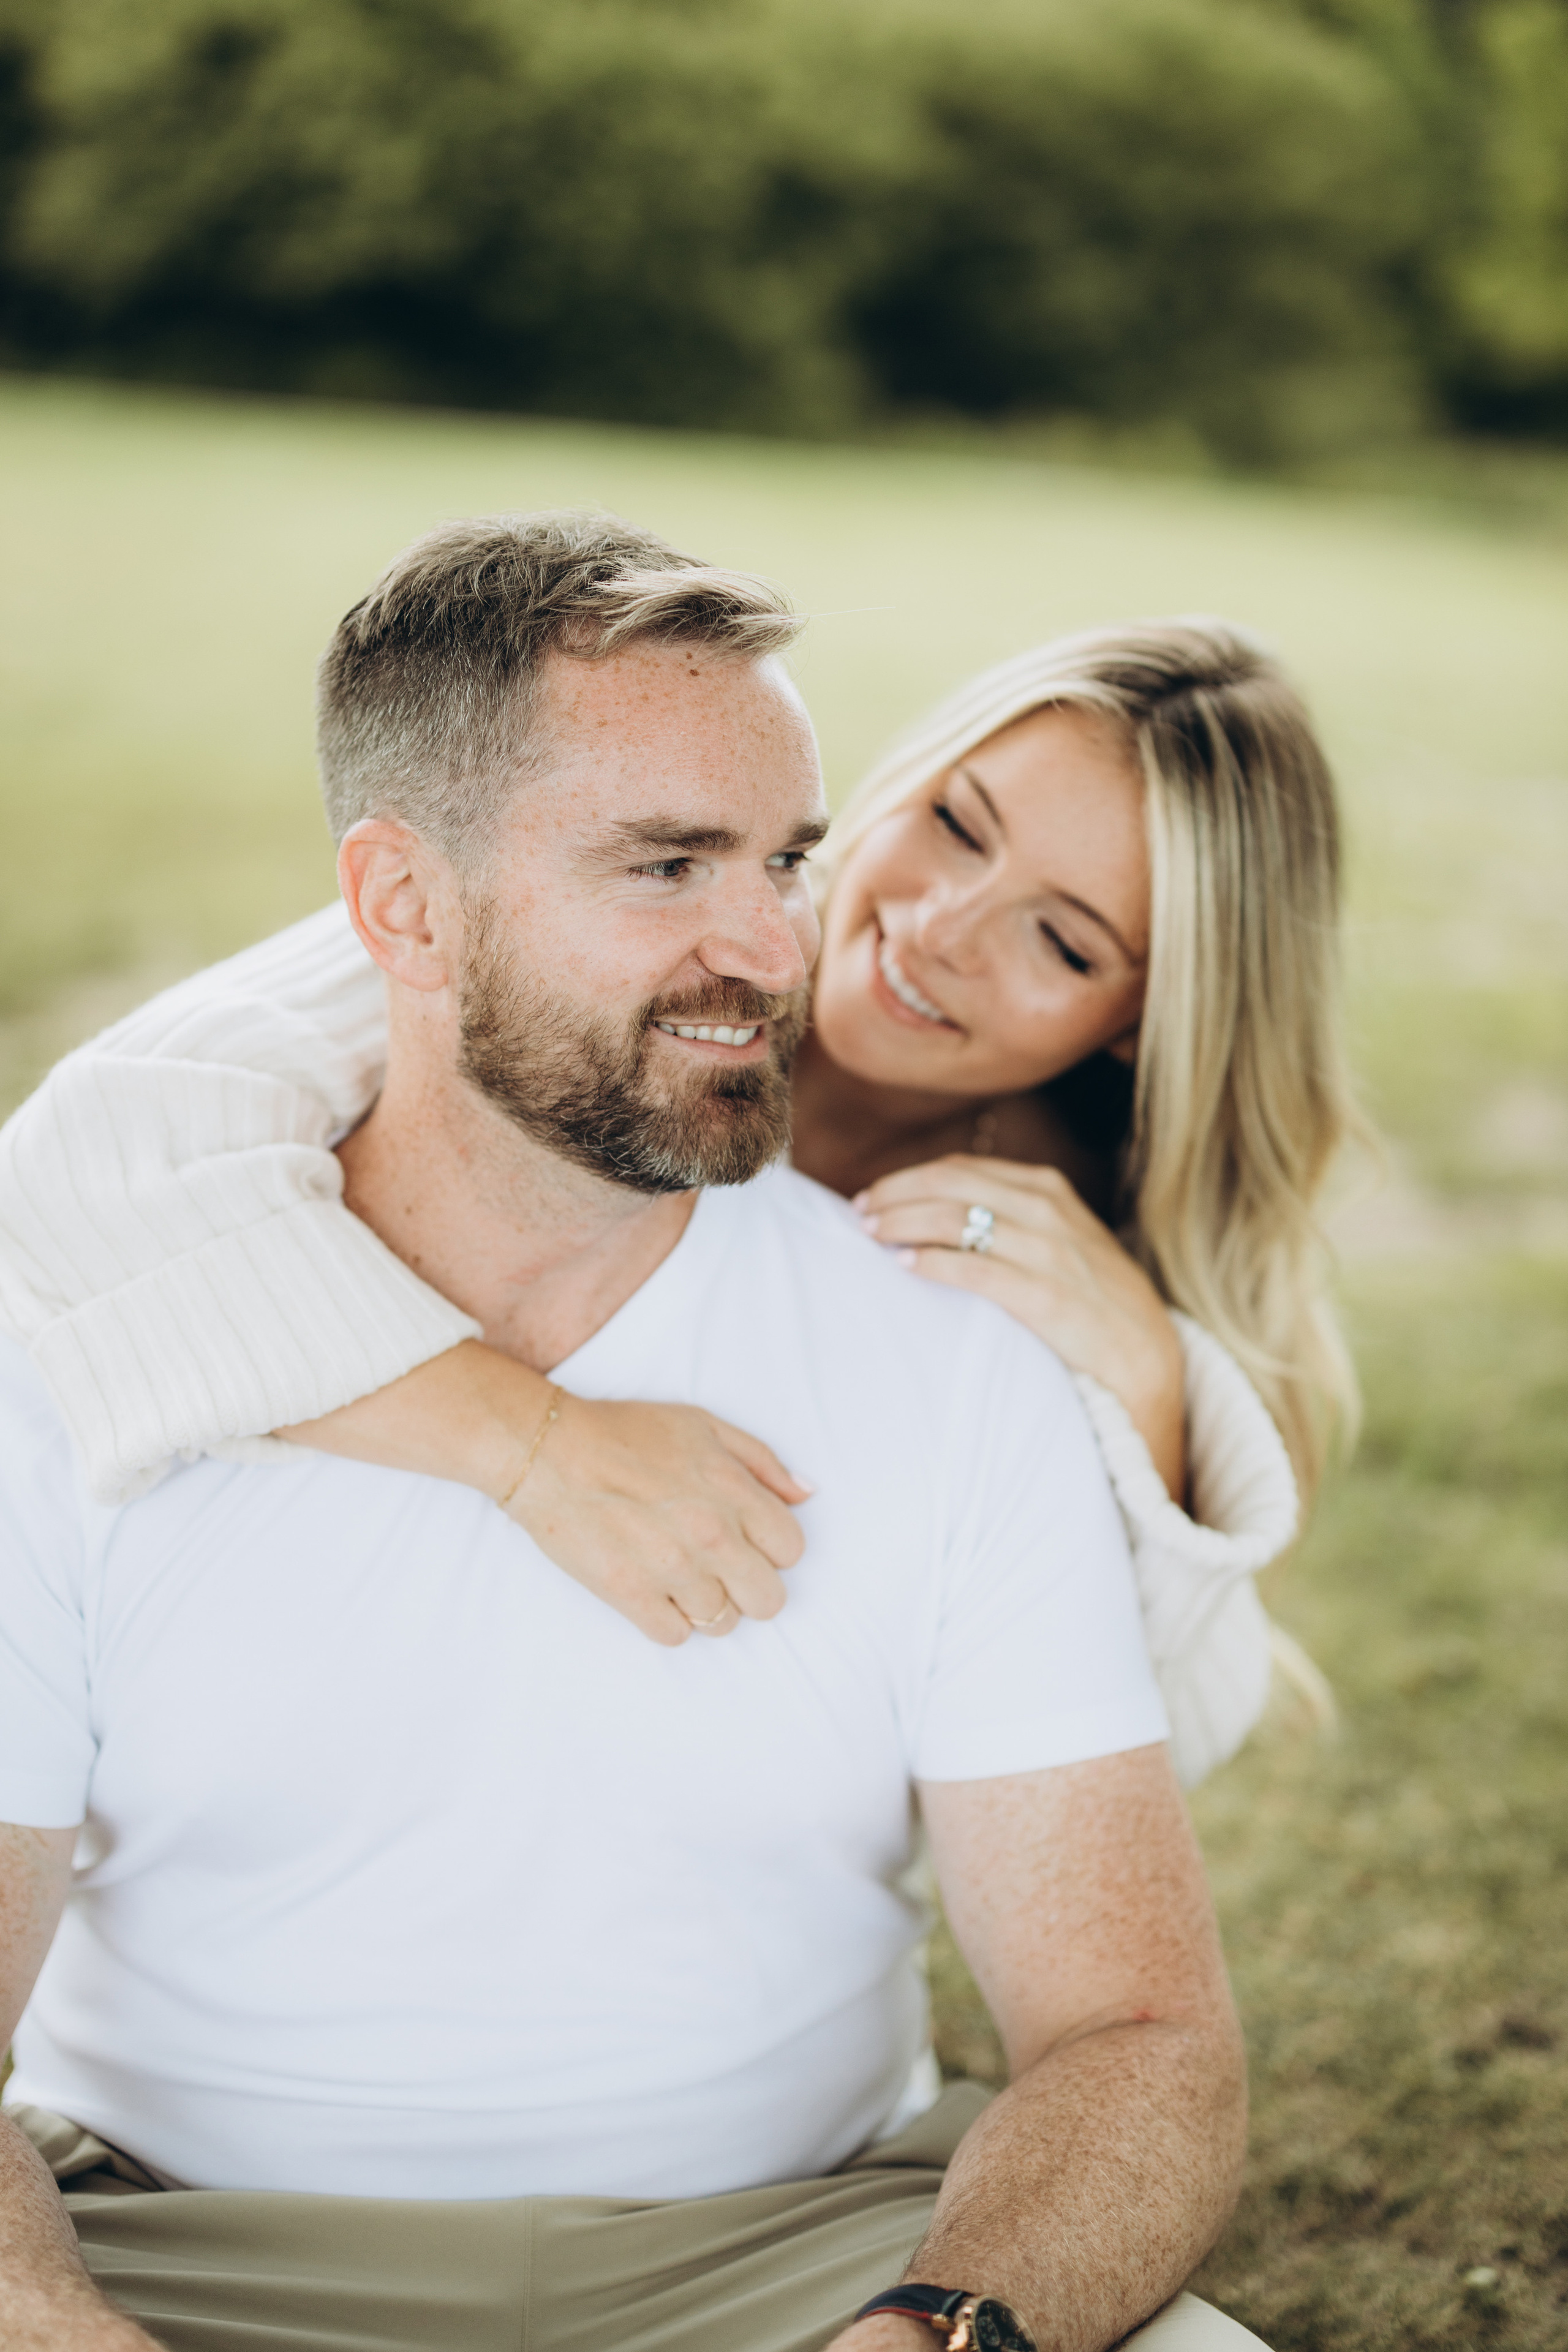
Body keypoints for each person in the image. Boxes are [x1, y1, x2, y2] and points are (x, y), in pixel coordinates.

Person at [0, 511, 1261, 2352]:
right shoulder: (91, 1299)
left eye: (782, 857)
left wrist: (930, 2337)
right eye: (667, 863)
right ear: (403, 907)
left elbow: (1141, 2033)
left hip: (794, 2255)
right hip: (180, 2257)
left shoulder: (978, 1354)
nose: (778, 942)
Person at [0, 583, 1355, 1788]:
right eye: (953, 824)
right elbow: (88, 1161)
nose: (935, 929)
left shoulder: (1075, 1249)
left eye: (1058, 940)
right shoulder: (582, 942)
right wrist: (526, 1443)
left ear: (1143, 1014)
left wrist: (1153, 1404)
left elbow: (1176, 1729)